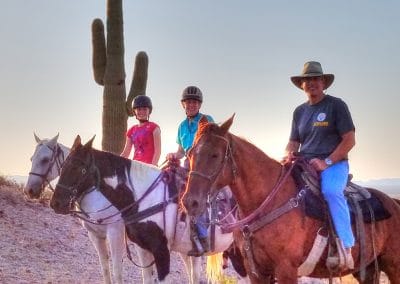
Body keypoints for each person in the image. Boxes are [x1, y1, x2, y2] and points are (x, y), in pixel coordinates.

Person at [282, 61, 355, 270]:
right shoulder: (299, 112)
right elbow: (294, 141)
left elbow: (349, 140)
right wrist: (288, 154)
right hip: (304, 162)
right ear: (302, 85)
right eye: (307, 80)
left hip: (334, 164)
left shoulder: (336, 105)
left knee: (331, 191)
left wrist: (327, 162)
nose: (311, 83)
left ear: (323, 82)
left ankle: (345, 246)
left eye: (315, 79)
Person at [166, 85, 213, 256]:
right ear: (183, 105)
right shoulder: (181, 127)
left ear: (199, 105)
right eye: (188, 102)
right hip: (188, 163)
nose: (191, 105)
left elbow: (211, 144)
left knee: (195, 195)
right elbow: (180, 151)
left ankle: (202, 236)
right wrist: (173, 155)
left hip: (203, 165)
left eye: (194, 102)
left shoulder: (207, 120)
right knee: (165, 180)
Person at [121, 95, 161, 166]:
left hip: (150, 166)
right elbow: (126, 152)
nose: (142, 111)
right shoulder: (131, 130)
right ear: (134, 111)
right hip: (135, 166)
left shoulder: (154, 128)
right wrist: (115, 162)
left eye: (145, 109)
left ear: (149, 111)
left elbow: (157, 151)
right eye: (139, 109)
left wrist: (152, 167)